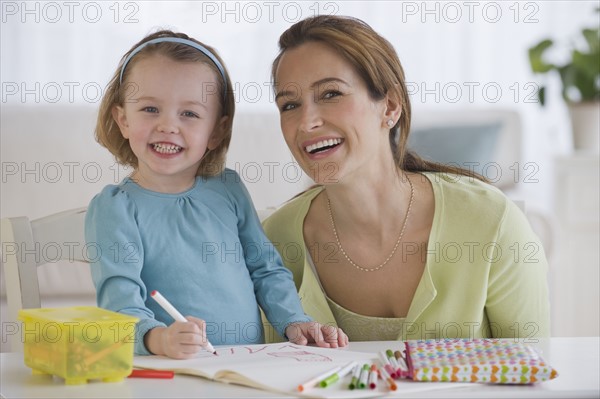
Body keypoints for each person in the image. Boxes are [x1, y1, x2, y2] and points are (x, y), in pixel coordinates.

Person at [263, 15, 551, 342]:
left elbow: (534, 367)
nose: (306, 122)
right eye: (289, 105)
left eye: (330, 94)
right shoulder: (274, 241)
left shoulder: (491, 222)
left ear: (390, 105)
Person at [85, 30, 348, 359]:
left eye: (190, 114)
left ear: (217, 130)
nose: (168, 125)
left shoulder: (229, 189)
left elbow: (265, 269)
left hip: (246, 366)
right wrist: (160, 339)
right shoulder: (115, 209)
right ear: (122, 119)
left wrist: (294, 321)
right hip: (169, 372)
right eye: (150, 109)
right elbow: (119, 306)